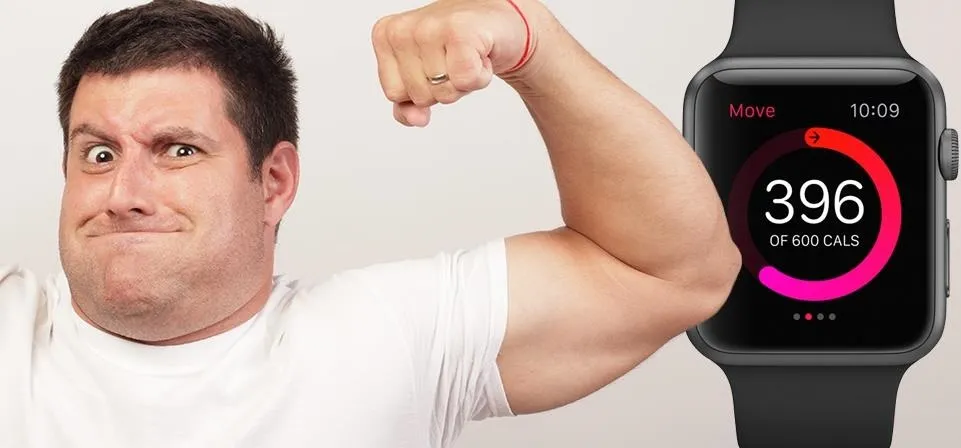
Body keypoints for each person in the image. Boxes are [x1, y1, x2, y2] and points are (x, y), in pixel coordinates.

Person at [0, 0, 741, 446]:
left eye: (178, 150)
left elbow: (671, 269)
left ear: (274, 181)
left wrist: (532, 42)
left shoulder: (386, 337)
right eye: (97, 152)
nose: (123, 191)